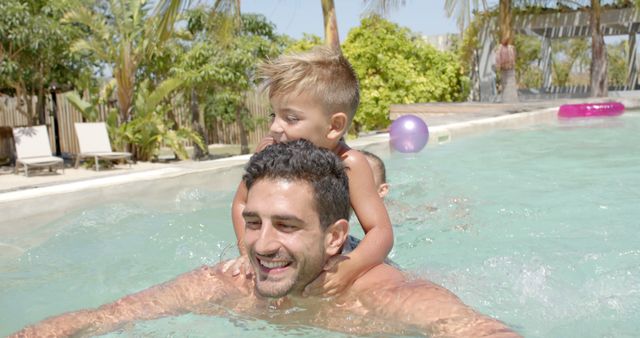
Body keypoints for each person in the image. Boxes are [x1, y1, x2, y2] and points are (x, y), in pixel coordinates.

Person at [10, 140, 520, 337]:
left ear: (336, 237)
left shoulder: (377, 295)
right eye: (254, 222)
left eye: (288, 225)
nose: (262, 245)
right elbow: (102, 318)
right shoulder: (231, 283)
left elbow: (474, 329)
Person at [229, 46, 393, 297]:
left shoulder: (351, 163)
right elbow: (241, 203)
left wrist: (349, 270)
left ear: (334, 126)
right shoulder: (269, 153)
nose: (274, 127)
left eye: (290, 118)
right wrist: (246, 254)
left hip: (341, 253)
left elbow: (380, 231)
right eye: (274, 115)